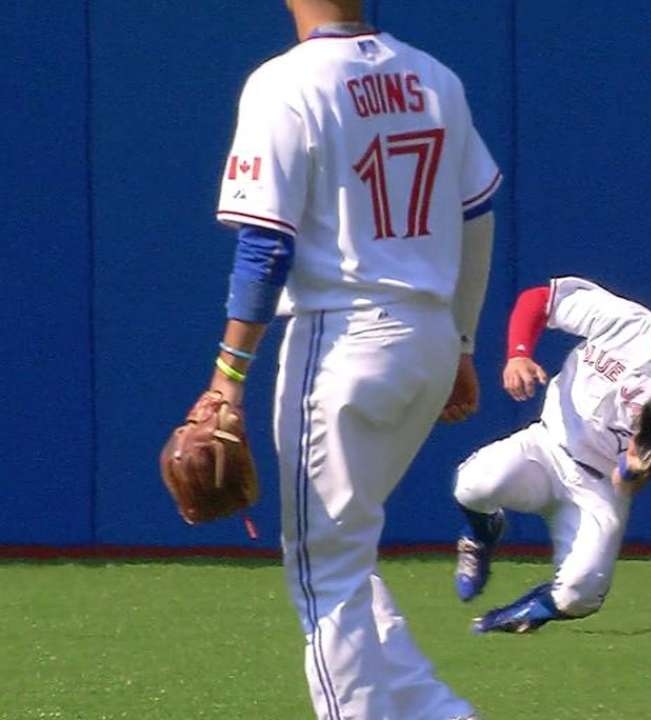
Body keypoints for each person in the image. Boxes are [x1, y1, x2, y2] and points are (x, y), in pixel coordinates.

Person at [206, 1, 499, 717]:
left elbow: (265, 246)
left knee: (323, 571)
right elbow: (477, 218)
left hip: (343, 341)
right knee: (345, 551)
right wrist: (461, 339)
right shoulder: (436, 78)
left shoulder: (285, 81)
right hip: (427, 335)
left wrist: (225, 381)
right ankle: (434, 711)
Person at [452, 266, 651, 633]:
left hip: (598, 488)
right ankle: (482, 534)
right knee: (472, 484)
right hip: (547, 447)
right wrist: (518, 355)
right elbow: (538, 300)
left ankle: (510, 618)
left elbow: (632, 481)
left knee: (582, 594)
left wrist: (632, 471)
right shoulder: (623, 320)